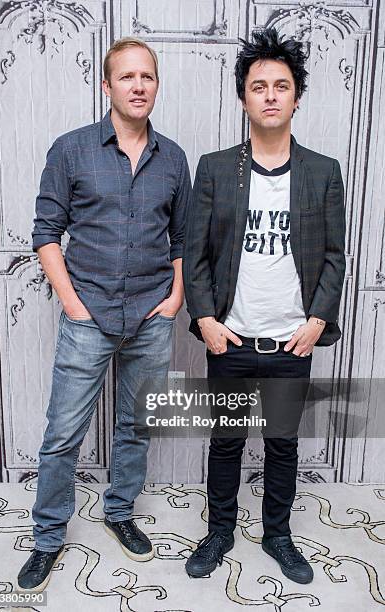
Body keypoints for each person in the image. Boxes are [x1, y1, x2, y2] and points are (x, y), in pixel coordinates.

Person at [17, 37, 191, 592]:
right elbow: (46, 232)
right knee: (63, 433)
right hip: (87, 313)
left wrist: (176, 296)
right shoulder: (71, 149)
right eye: (128, 77)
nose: (139, 86)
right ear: (107, 85)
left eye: (148, 77)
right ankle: (47, 538)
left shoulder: (174, 158)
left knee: (135, 426)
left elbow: (184, 236)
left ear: (156, 85)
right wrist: (73, 304)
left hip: (151, 314)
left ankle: (119, 513)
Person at [182, 27, 346, 584]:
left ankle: (278, 535)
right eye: (259, 86)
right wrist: (204, 318)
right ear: (244, 97)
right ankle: (219, 532)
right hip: (229, 338)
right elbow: (195, 251)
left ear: (297, 96)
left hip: (289, 342)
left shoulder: (322, 172)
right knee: (226, 443)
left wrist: (316, 321)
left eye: (282, 85)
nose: (271, 95)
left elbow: (333, 256)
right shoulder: (214, 168)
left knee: (281, 443)